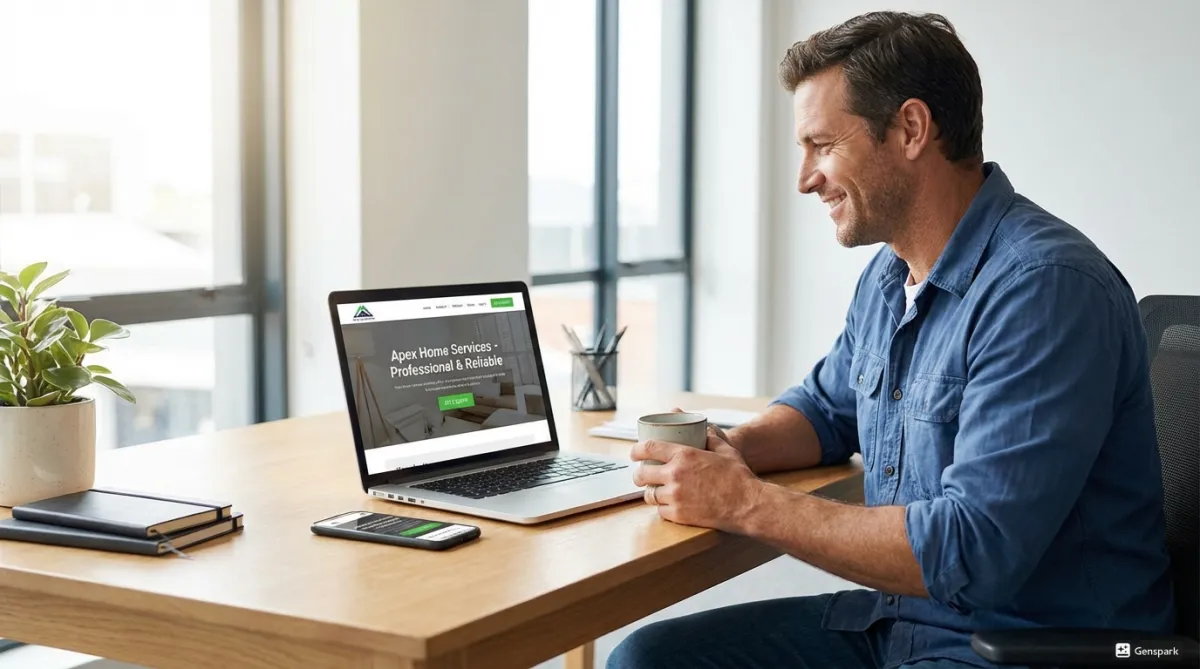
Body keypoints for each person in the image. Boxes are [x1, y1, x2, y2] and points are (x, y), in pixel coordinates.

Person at [608, 10, 1174, 669]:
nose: (804, 177)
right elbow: (825, 410)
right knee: (649, 658)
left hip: (1024, 646)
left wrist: (745, 501)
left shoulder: (1045, 289)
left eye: (822, 145)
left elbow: (973, 549)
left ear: (910, 128)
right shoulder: (891, 276)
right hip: (905, 624)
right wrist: (728, 451)